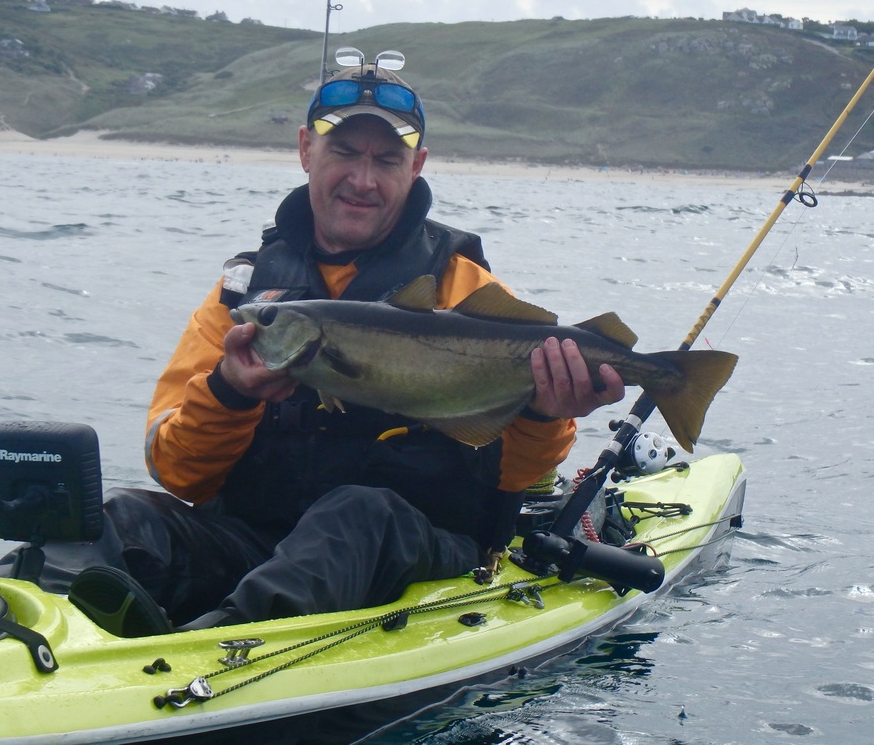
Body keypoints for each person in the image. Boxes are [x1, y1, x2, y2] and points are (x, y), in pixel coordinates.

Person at [69, 56, 625, 633]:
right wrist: (230, 394)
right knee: (122, 518)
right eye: (343, 153)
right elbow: (180, 475)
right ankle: (16, 636)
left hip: (415, 556)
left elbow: (513, 480)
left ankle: (199, 653)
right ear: (307, 150)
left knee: (356, 515)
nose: (363, 180)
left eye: (387, 160)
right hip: (256, 542)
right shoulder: (246, 297)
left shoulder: (467, 294)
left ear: (418, 166)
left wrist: (542, 413)